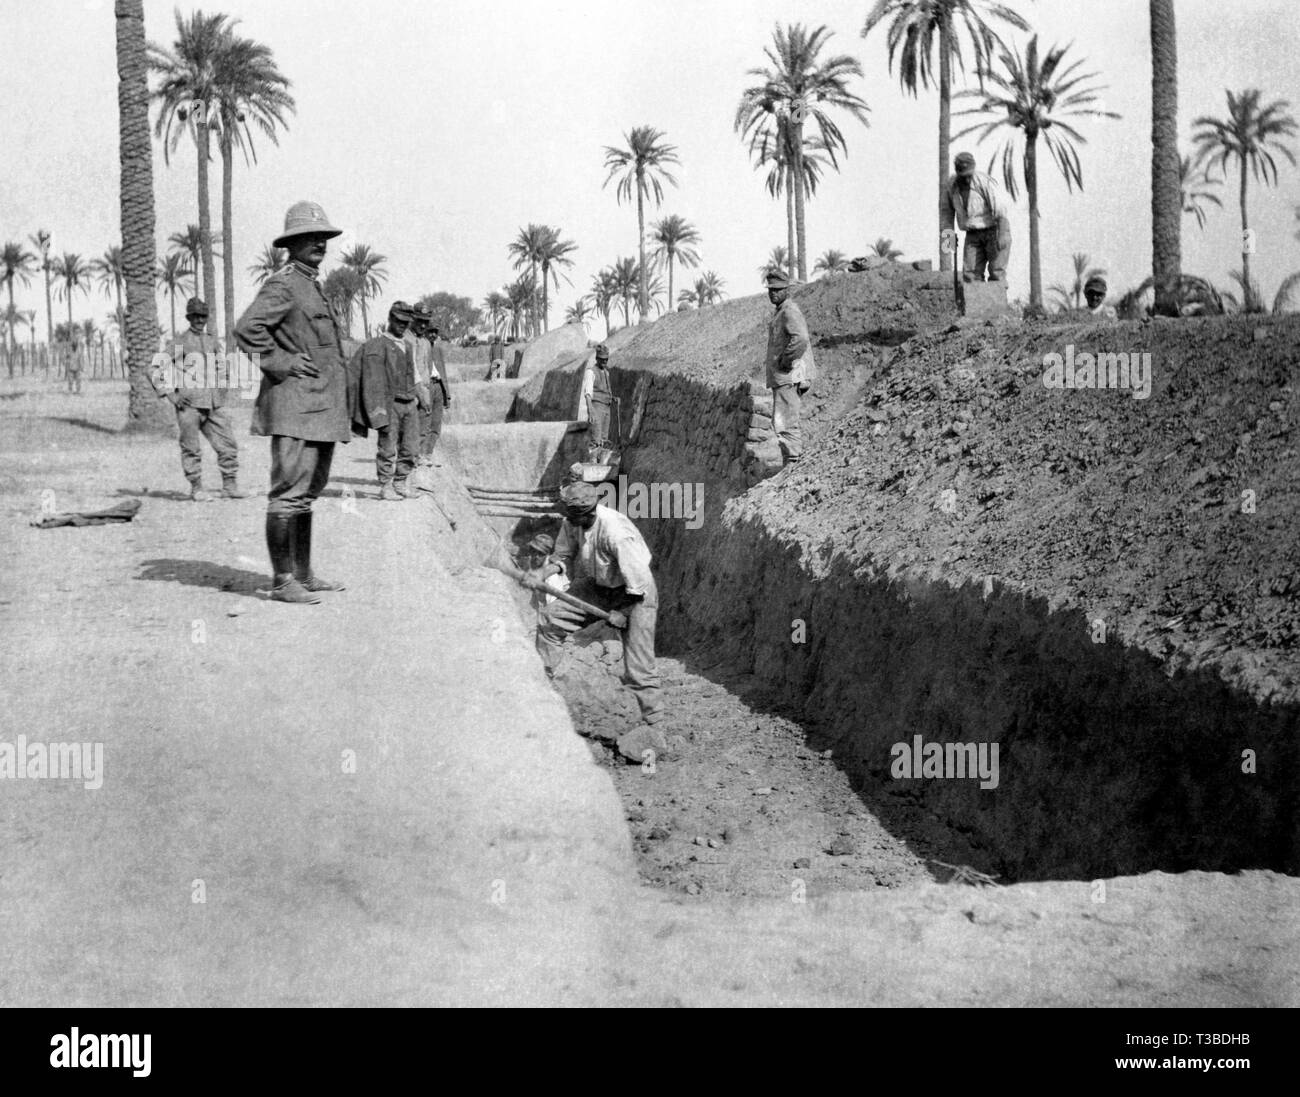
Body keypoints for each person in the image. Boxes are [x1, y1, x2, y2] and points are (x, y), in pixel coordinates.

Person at [233, 200, 350, 605]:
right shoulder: (283, 283)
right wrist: (281, 361)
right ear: (291, 244)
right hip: (294, 407)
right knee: (288, 494)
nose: (319, 243)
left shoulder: (311, 284)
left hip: (318, 408)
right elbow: (247, 329)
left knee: (307, 493)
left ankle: (303, 574)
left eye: (323, 238)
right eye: (309, 238)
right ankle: (283, 582)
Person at [534, 481, 665, 761]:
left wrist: (622, 613)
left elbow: (639, 585)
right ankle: (545, 694)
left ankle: (653, 729)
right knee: (549, 620)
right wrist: (543, 573)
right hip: (599, 587)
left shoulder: (616, 532)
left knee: (639, 668)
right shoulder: (573, 521)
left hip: (635, 595)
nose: (565, 519)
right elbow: (563, 556)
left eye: (569, 515)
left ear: (586, 513)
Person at [152, 297, 248, 501]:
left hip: (213, 405)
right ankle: (196, 488)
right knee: (191, 448)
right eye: (195, 316)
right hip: (189, 406)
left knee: (228, 443)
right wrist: (171, 394)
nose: (199, 320)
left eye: (203, 316)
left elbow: (222, 367)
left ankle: (229, 485)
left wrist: (223, 388)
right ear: (189, 318)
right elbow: (154, 367)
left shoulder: (212, 340)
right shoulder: (180, 342)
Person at [357, 301, 419, 500]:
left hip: (409, 402)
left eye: (406, 322)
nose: (402, 325)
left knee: (410, 448)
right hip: (391, 403)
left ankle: (400, 482)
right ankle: (385, 485)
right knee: (387, 447)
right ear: (390, 319)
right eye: (399, 321)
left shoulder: (408, 346)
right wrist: (377, 409)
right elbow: (372, 380)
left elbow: (413, 373)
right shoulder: (378, 345)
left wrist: (417, 397)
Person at [764, 269, 814, 467]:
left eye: (777, 289)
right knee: (785, 419)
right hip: (787, 375)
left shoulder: (789, 311)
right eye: (771, 290)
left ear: (787, 290)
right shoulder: (782, 311)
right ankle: (791, 461)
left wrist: (786, 361)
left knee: (786, 421)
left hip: (788, 375)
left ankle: (793, 462)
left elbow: (800, 339)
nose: (773, 293)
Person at [941, 151, 1012, 283]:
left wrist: (1002, 234)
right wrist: (948, 240)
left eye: (969, 175)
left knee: (997, 273)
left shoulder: (984, 182)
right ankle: (975, 303)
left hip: (995, 229)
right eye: (963, 176)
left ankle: (995, 303)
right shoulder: (951, 186)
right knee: (970, 276)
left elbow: (1000, 209)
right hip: (972, 234)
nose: (967, 180)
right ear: (958, 173)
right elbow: (947, 213)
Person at [580, 343, 614, 445]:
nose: (604, 361)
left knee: (604, 439)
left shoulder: (606, 372)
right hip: (597, 408)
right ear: (597, 358)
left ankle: (601, 460)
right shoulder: (591, 372)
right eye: (602, 359)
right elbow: (588, 393)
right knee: (596, 439)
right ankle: (593, 460)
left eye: (606, 359)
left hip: (606, 408)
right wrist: (590, 410)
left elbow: (603, 390)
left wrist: (613, 398)